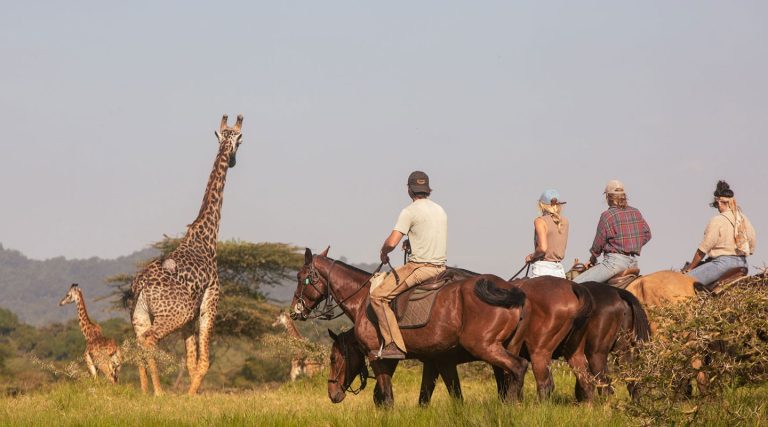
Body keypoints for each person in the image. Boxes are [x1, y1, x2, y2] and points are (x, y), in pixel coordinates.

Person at [369, 171, 447, 359]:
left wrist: (383, 251)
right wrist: (412, 243)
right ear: (427, 189)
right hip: (441, 267)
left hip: (420, 267)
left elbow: (392, 242)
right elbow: (429, 235)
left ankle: (393, 345)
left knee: (377, 296)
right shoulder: (440, 210)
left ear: (409, 190)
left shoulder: (409, 212)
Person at [573, 179, 651, 284]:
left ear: (608, 197)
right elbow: (647, 234)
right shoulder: (636, 212)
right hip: (633, 264)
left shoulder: (607, 215)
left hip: (614, 264)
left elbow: (598, 244)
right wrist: (632, 244)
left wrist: (593, 258)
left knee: (574, 285)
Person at [682, 180, 756, 288]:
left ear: (719, 202)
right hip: (743, 264)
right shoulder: (744, 219)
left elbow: (704, 248)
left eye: (717, 205)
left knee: (684, 282)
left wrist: (690, 268)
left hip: (722, 265)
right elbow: (752, 244)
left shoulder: (717, 220)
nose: (717, 208)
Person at [525, 189, 569, 278]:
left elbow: (543, 248)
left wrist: (531, 257)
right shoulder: (565, 221)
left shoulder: (540, 221)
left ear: (542, 205)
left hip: (542, 269)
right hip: (559, 271)